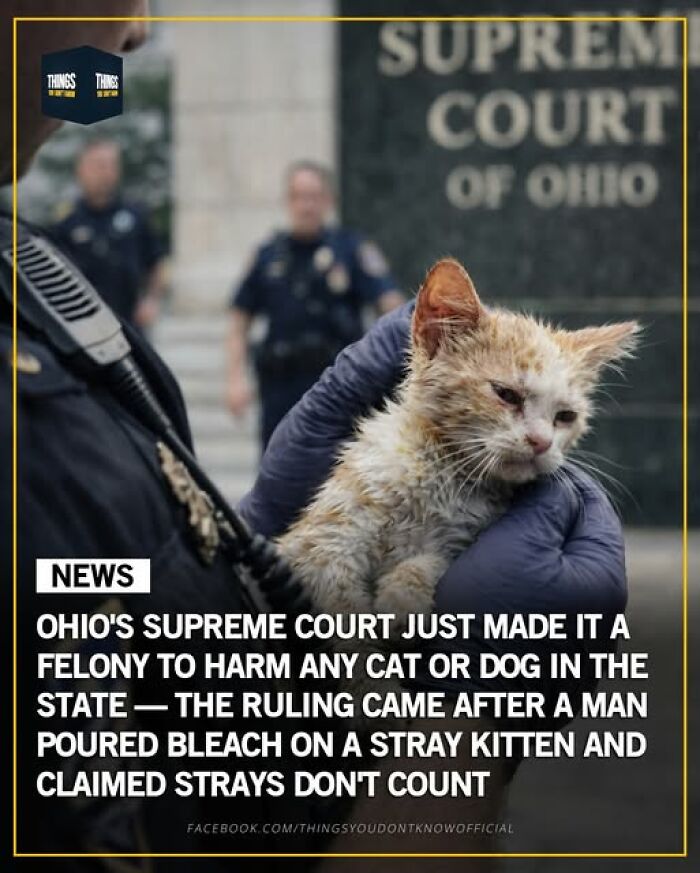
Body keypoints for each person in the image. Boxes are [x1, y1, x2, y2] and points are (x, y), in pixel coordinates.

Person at [0, 1, 627, 867]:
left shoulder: (29, 273)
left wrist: (229, 565)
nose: (139, 27)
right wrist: (465, 725)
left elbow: (139, 666)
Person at [226, 160, 404, 449]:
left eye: (313, 197)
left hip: (340, 386)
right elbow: (239, 318)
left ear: (328, 201)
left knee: (336, 480)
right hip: (280, 389)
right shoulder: (268, 254)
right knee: (277, 477)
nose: (305, 206)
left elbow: (391, 305)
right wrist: (235, 378)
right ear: (288, 201)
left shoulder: (351, 249)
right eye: (298, 197)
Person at [52, 137, 166, 328]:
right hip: (84, 323)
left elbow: (156, 262)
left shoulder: (135, 214)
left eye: (111, 165)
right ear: (81, 170)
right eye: (99, 165)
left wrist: (152, 301)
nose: (106, 172)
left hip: (131, 322)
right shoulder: (66, 222)